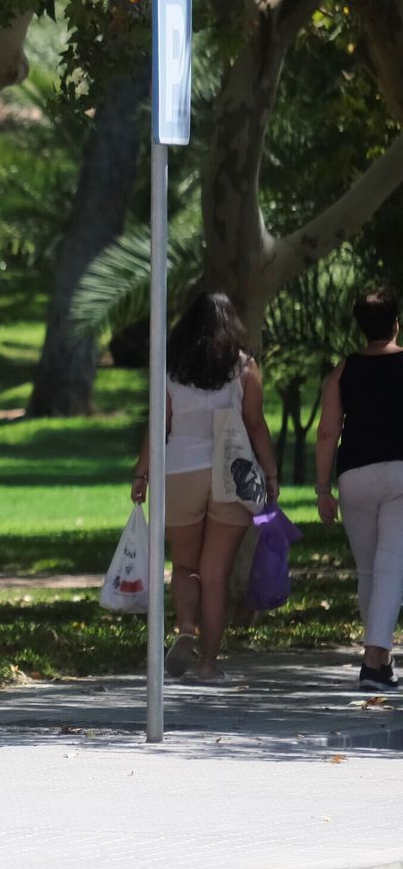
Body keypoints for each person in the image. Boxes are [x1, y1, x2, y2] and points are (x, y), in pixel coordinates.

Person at [132, 292, 278, 686]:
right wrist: (271, 473)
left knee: (184, 566)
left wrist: (141, 474)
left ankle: (185, 627)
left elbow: (158, 426)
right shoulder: (244, 369)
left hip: (180, 472)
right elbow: (255, 424)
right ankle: (209, 665)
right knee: (216, 574)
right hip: (231, 475)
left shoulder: (171, 369)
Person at [315, 288, 403, 691]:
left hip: (354, 478)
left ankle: (380, 662)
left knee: (370, 570)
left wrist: (322, 488)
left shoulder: (343, 370)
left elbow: (328, 430)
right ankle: (372, 661)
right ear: (396, 322)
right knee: (391, 567)